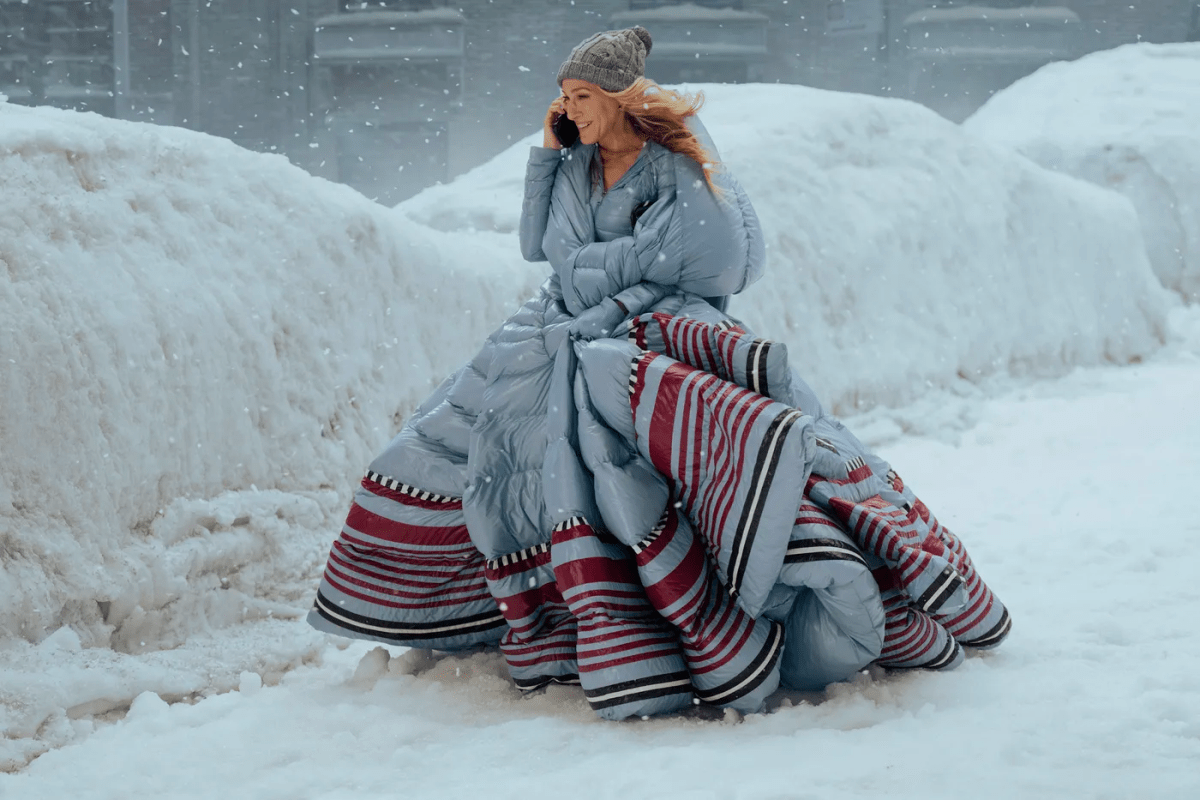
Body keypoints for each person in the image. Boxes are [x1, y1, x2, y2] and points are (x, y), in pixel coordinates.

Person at [307, 27, 1010, 721]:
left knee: (678, 458)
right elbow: (537, 245)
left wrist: (599, 279)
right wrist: (548, 159)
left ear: (620, 98)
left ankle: (679, 625)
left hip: (655, 327)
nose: (571, 108)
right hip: (557, 327)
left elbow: (713, 265)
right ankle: (523, 612)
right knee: (458, 450)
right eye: (564, 97)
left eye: (582, 96)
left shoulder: (674, 165)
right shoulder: (575, 162)